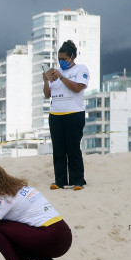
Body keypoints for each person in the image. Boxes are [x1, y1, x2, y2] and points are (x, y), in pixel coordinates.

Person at [43, 40, 89, 191]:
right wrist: (45, 81)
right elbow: (47, 94)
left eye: (64, 59)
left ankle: (78, 180)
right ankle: (60, 180)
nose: (61, 62)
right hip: (55, 114)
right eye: (59, 59)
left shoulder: (81, 69)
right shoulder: (55, 72)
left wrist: (62, 78)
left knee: (73, 147)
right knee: (58, 149)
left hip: (74, 113)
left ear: (72, 57)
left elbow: (77, 88)